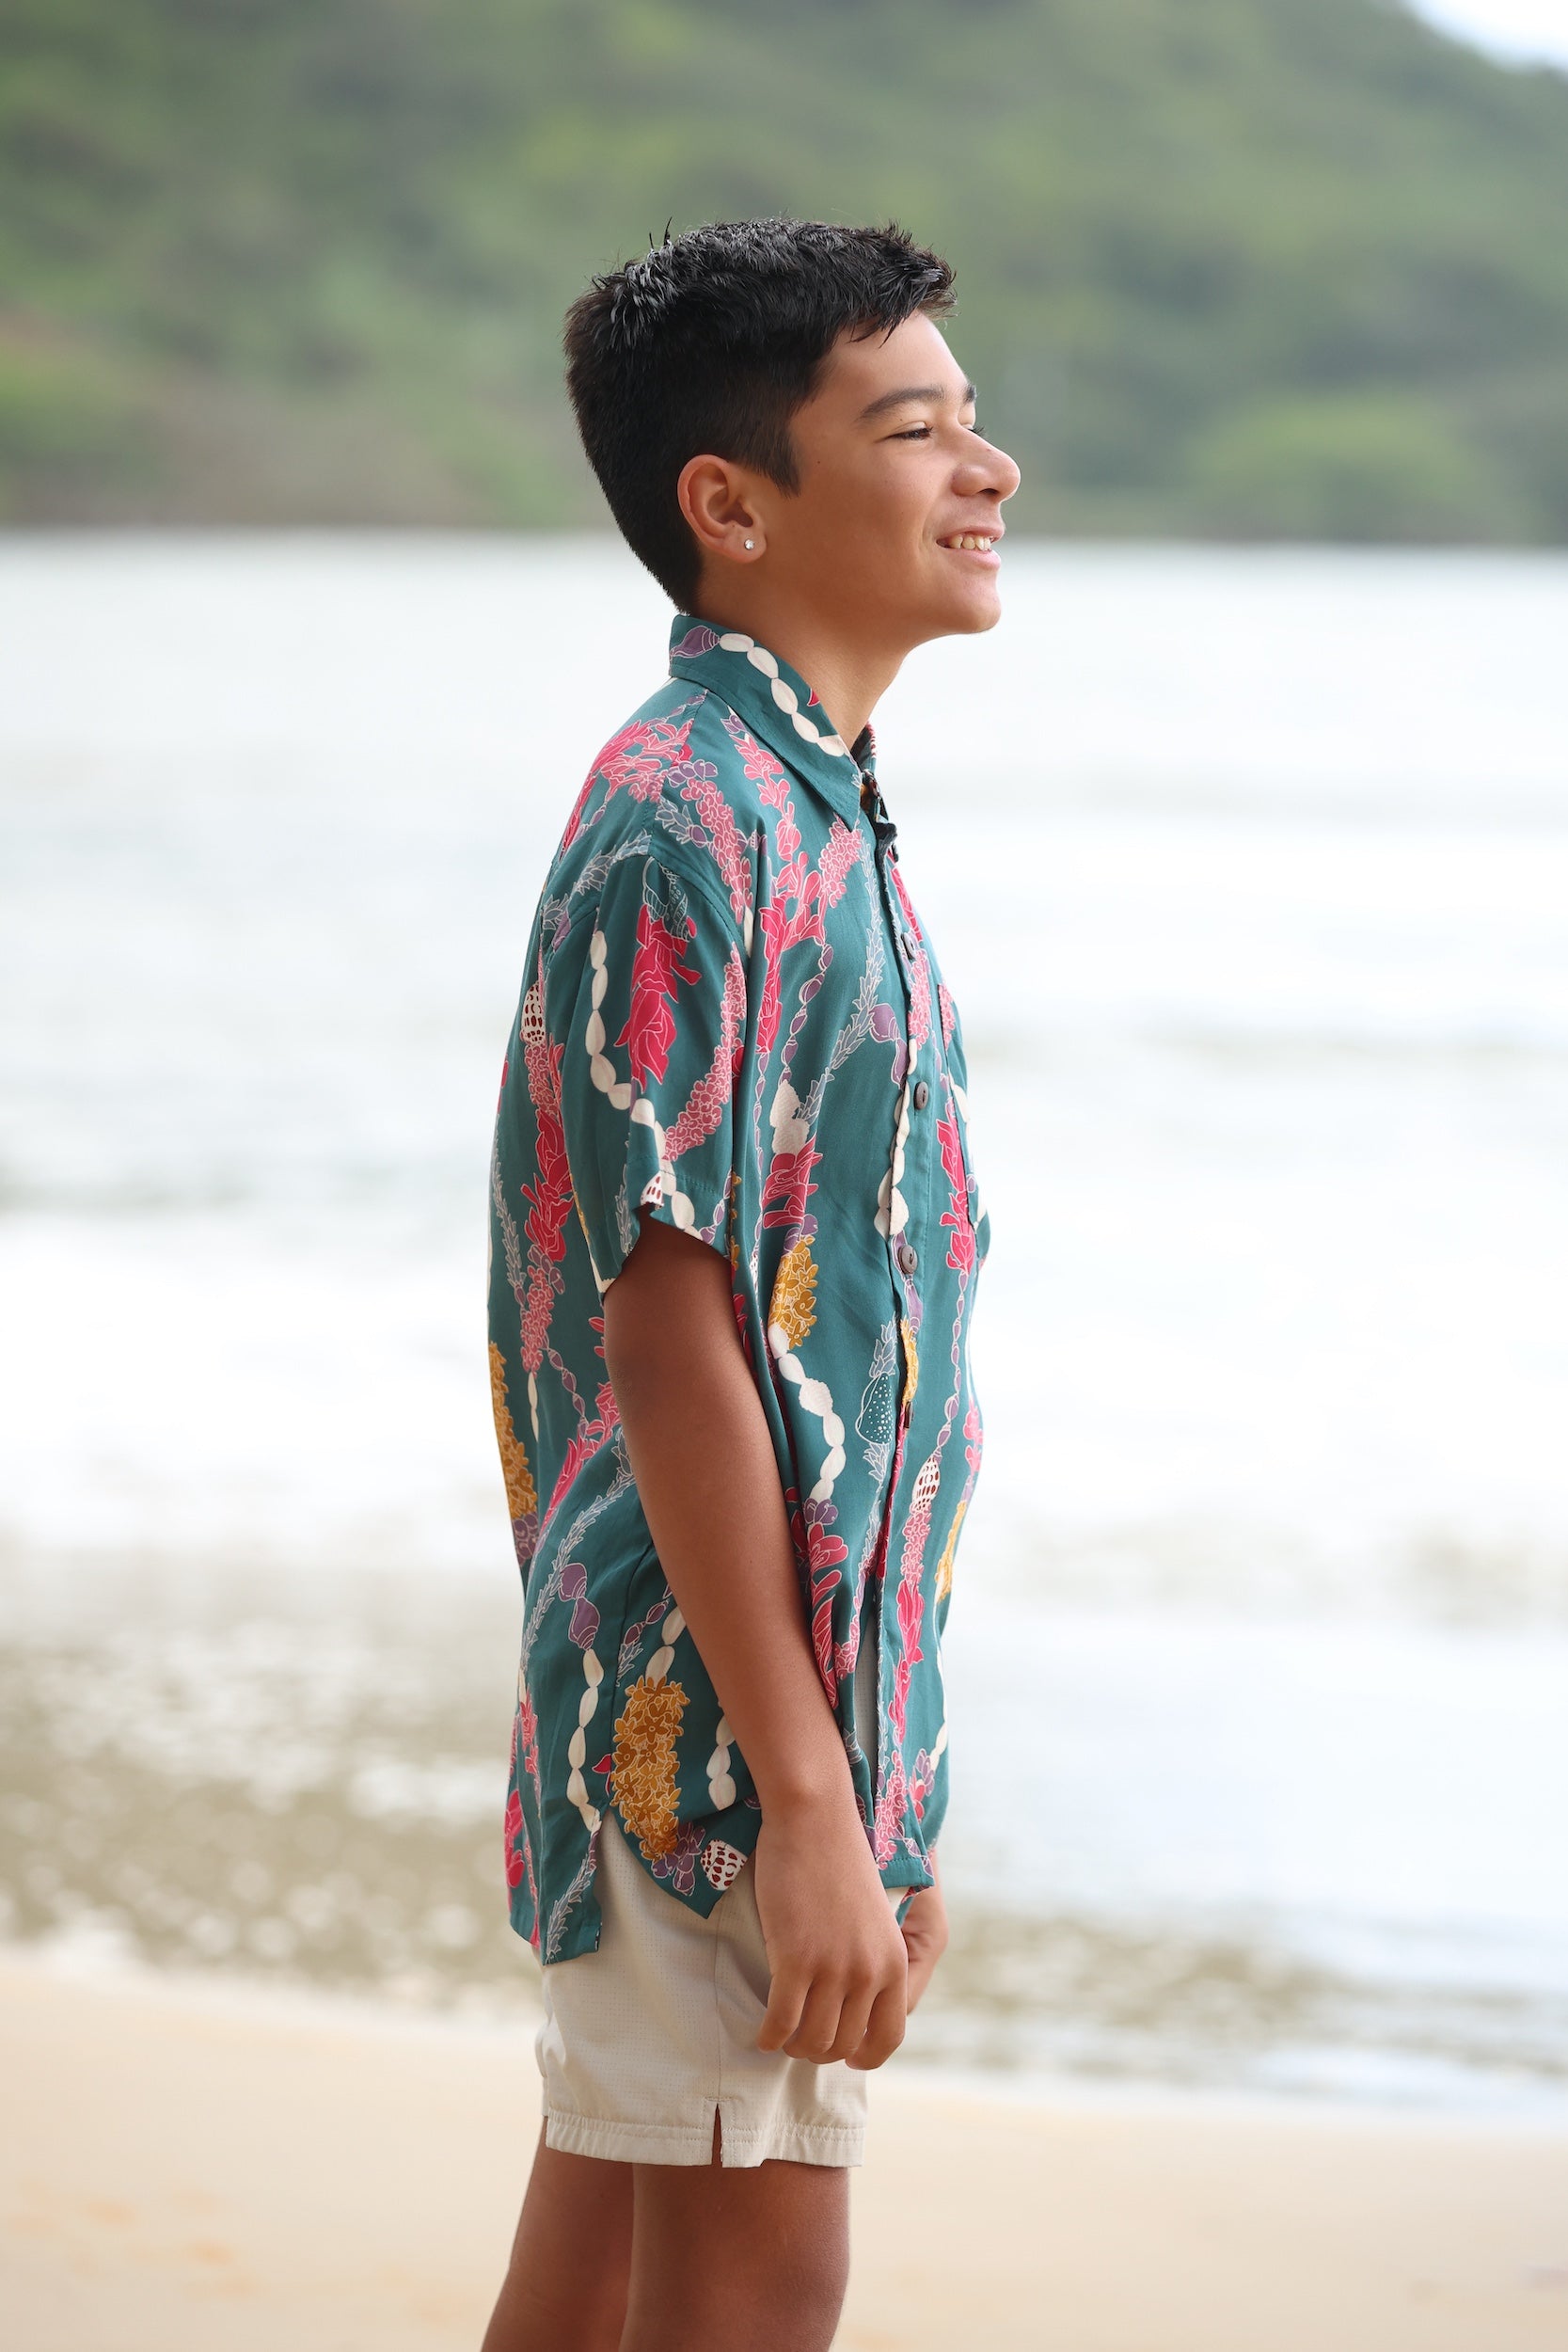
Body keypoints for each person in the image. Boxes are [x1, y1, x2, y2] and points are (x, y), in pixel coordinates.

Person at [482, 216, 1019, 2352]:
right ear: (731, 500)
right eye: (914, 428)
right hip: (698, 1733)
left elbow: (843, 1347)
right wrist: (803, 1795)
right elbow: (667, 1326)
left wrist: (875, 1771)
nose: (985, 468)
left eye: (973, 421)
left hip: (761, 1714)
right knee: (747, 2280)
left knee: (606, 2271)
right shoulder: (684, 818)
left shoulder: (810, 802)